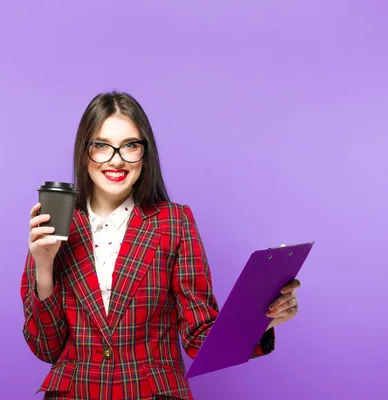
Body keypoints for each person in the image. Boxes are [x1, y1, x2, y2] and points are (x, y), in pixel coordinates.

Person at [20, 91, 301, 400]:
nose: (116, 159)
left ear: (145, 153)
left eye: (130, 146)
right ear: (84, 151)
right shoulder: (56, 225)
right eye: (101, 145)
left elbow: (198, 337)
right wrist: (44, 266)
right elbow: (47, 348)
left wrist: (262, 319)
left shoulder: (174, 222)